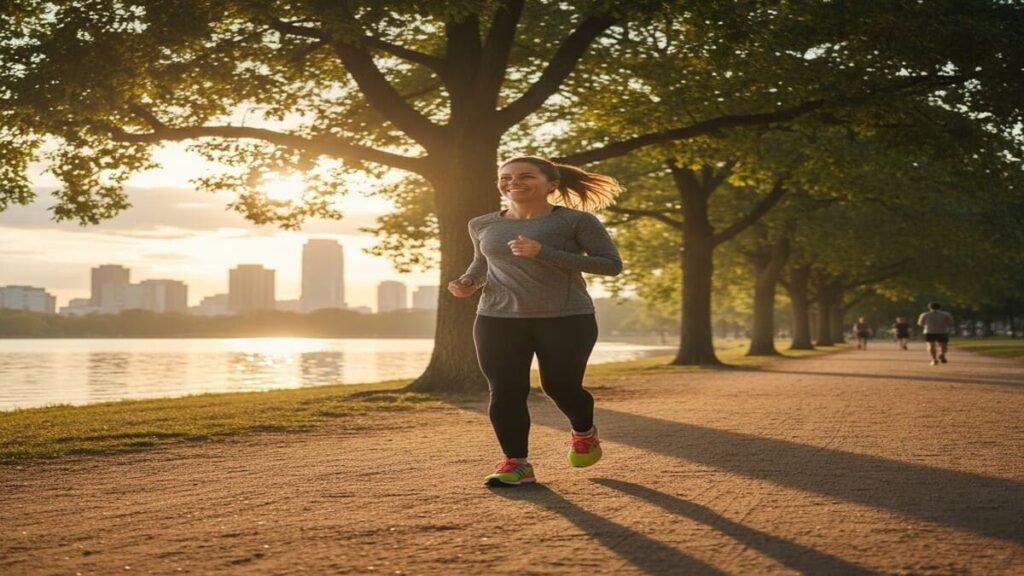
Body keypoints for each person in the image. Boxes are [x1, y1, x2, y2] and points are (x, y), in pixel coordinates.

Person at [448, 155, 623, 487]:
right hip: (497, 318)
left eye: (525, 176)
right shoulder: (482, 224)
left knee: (560, 386)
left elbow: (611, 265)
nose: (513, 182)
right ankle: (517, 463)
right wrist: (468, 283)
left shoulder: (576, 221)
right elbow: (481, 264)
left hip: (566, 317)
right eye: (506, 177)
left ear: (551, 185)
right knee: (504, 391)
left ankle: (584, 431)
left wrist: (543, 251)